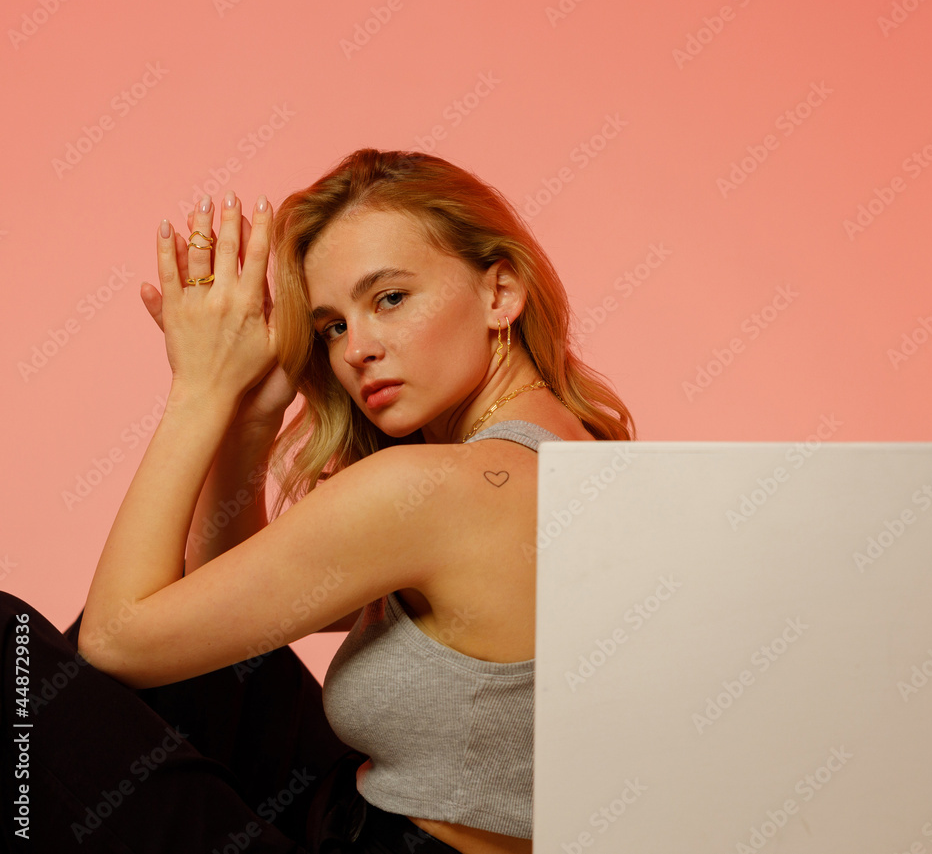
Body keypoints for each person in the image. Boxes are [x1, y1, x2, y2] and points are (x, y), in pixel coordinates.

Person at [1, 149, 634, 853]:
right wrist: (251, 421)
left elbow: (115, 642)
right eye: (332, 325)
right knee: (227, 661)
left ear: (500, 292)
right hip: (349, 814)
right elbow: (223, 616)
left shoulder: (436, 491)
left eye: (390, 298)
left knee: (6, 645)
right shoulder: (575, 457)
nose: (355, 349)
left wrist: (199, 391)